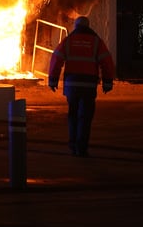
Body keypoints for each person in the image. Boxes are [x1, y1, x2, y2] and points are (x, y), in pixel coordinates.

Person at [47, 16, 115, 158]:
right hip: (89, 86)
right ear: (88, 26)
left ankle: (73, 146)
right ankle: (82, 148)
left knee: (73, 115)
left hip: (72, 86)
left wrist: (53, 80)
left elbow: (56, 59)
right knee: (85, 117)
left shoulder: (68, 41)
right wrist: (107, 82)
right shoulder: (96, 42)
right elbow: (107, 61)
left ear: (76, 26)